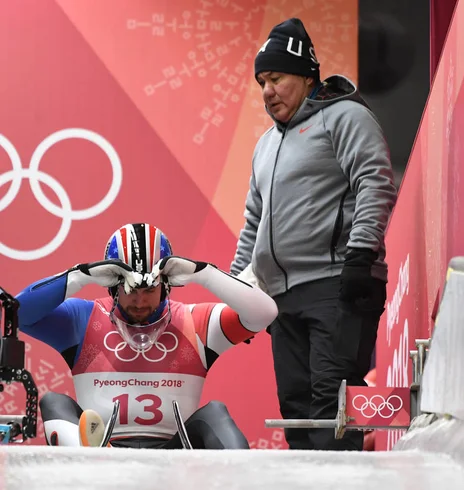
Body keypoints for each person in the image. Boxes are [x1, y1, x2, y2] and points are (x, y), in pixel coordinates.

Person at [230, 18, 398, 451]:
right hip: (282, 299)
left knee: (330, 411)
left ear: (307, 75)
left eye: (277, 78)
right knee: (298, 416)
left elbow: (375, 181)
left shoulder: (345, 116)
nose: (267, 91)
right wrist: (235, 292)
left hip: (338, 284)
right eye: (261, 81)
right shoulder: (266, 144)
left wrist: (360, 256)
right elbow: (253, 220)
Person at [16, 222, 278, 449]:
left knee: (215, 412)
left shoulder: (195, 321)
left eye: (149, 289)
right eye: (130, 290)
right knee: (54, 402)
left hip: (176, 452)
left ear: (166, 285)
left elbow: (265, 313)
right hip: (97, 454)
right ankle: (99, 461)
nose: (139, 301)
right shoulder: (83, 319)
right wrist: (79, 275)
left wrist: (205, 274)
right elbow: (15, 314)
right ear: (112, 286)